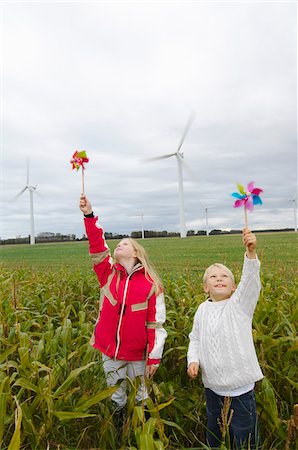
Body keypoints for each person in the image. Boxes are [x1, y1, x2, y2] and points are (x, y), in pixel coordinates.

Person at [79, 194, 167, 420]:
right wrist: (89, 215)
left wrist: (154, 357)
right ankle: (119, 429)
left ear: (136, 253)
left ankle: (141, 429)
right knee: (116, 394)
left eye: (125, 244)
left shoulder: (151, 285)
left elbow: (155, 325)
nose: (119, 245)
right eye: (118, 244)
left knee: (140, 394)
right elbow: (97, 245)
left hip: (138, 355)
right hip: (110, 350)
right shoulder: (107, 274)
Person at [187, 228, 263, 449]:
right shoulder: (202, 309)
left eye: (224, 277)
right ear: (205, 287)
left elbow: (250, 283)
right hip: (212, 389)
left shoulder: (239, 306)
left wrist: (250, 255)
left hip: (241, 391)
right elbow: (196, 339)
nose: (219, 279)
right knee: (215, 437)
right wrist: (193, 360)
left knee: (244, 439)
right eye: (213, 277)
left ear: (234, 286)